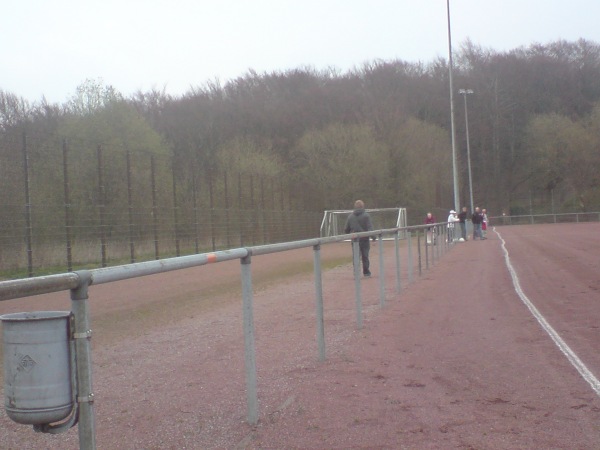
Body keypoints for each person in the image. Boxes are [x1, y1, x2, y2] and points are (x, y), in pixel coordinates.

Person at [344, 200, 374, 277]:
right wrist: (373, 237)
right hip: (364, 239)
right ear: (363, 206)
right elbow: (370, 228)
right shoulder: (366, 216)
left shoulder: (350, 216)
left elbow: (346, 229)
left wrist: (349, 233)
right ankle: (366, 272)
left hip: (354, 240)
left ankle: (356, 273)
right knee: (365, 256)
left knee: (356, 256)